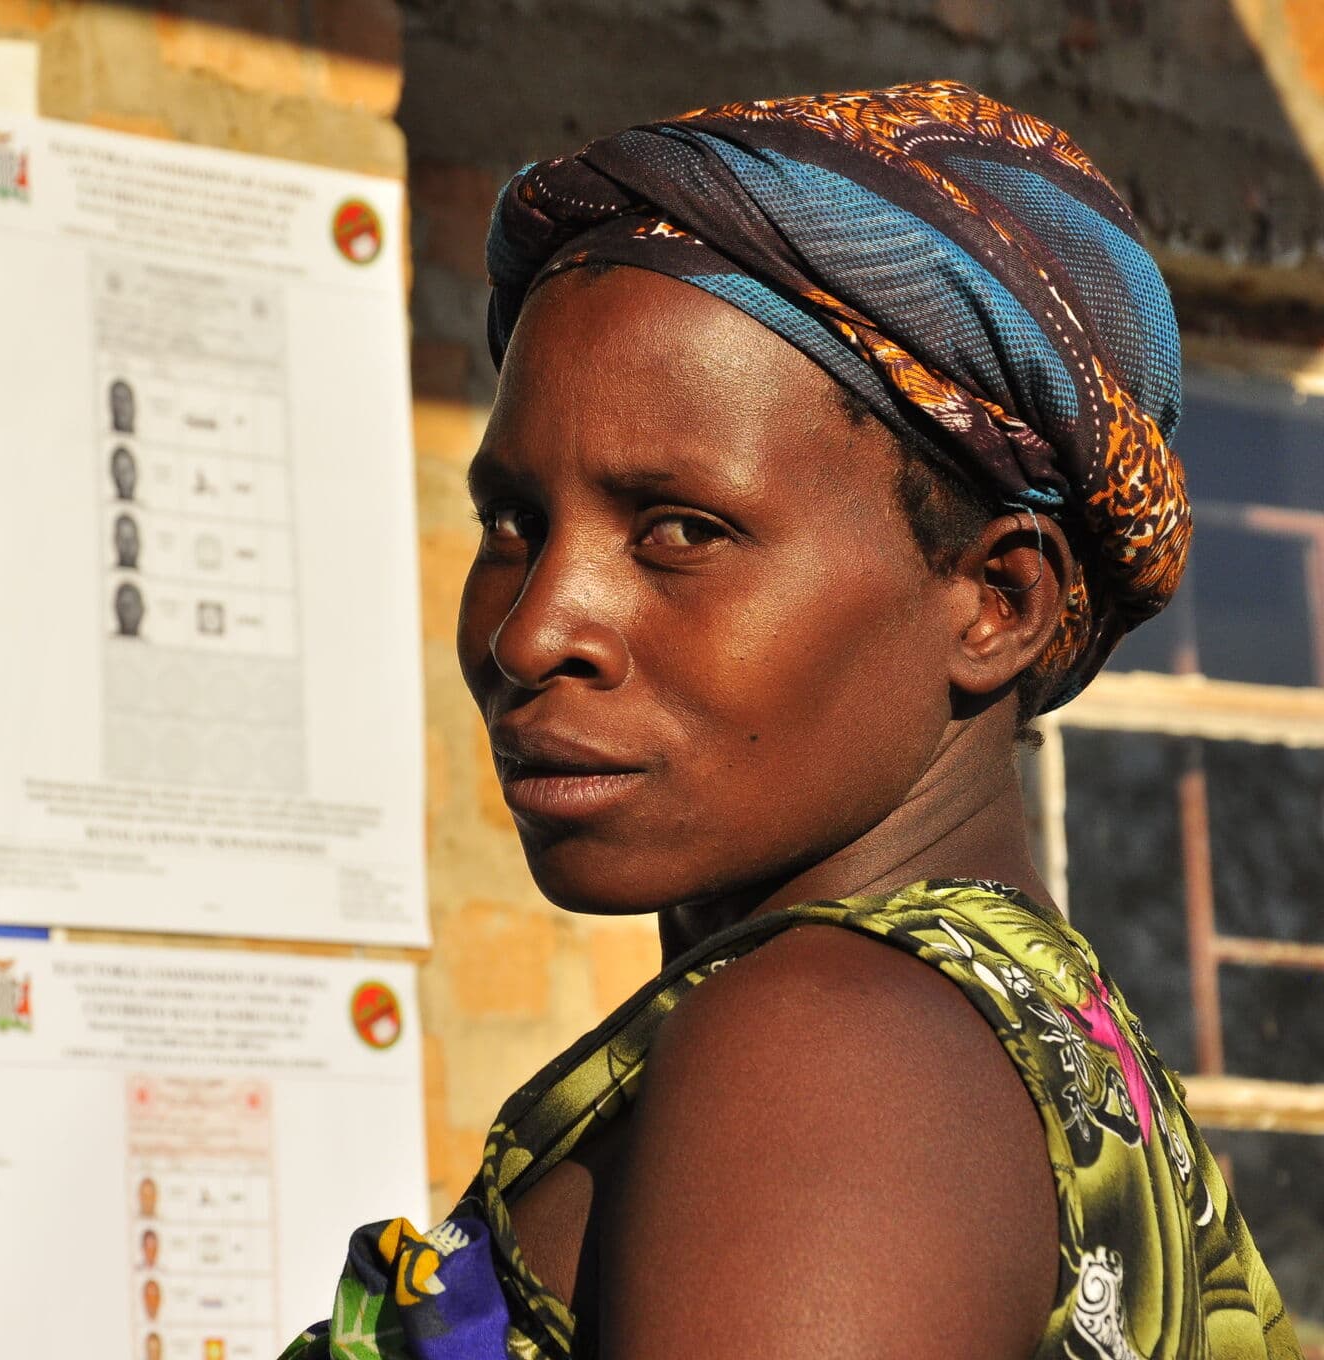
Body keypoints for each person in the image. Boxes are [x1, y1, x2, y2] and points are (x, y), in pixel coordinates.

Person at [285, 83, 1296, 1360]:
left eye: (679, 530)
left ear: (996, 601)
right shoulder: (1028, 1052)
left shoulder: (829, 1055)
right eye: (512, 524)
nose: (532, 631)